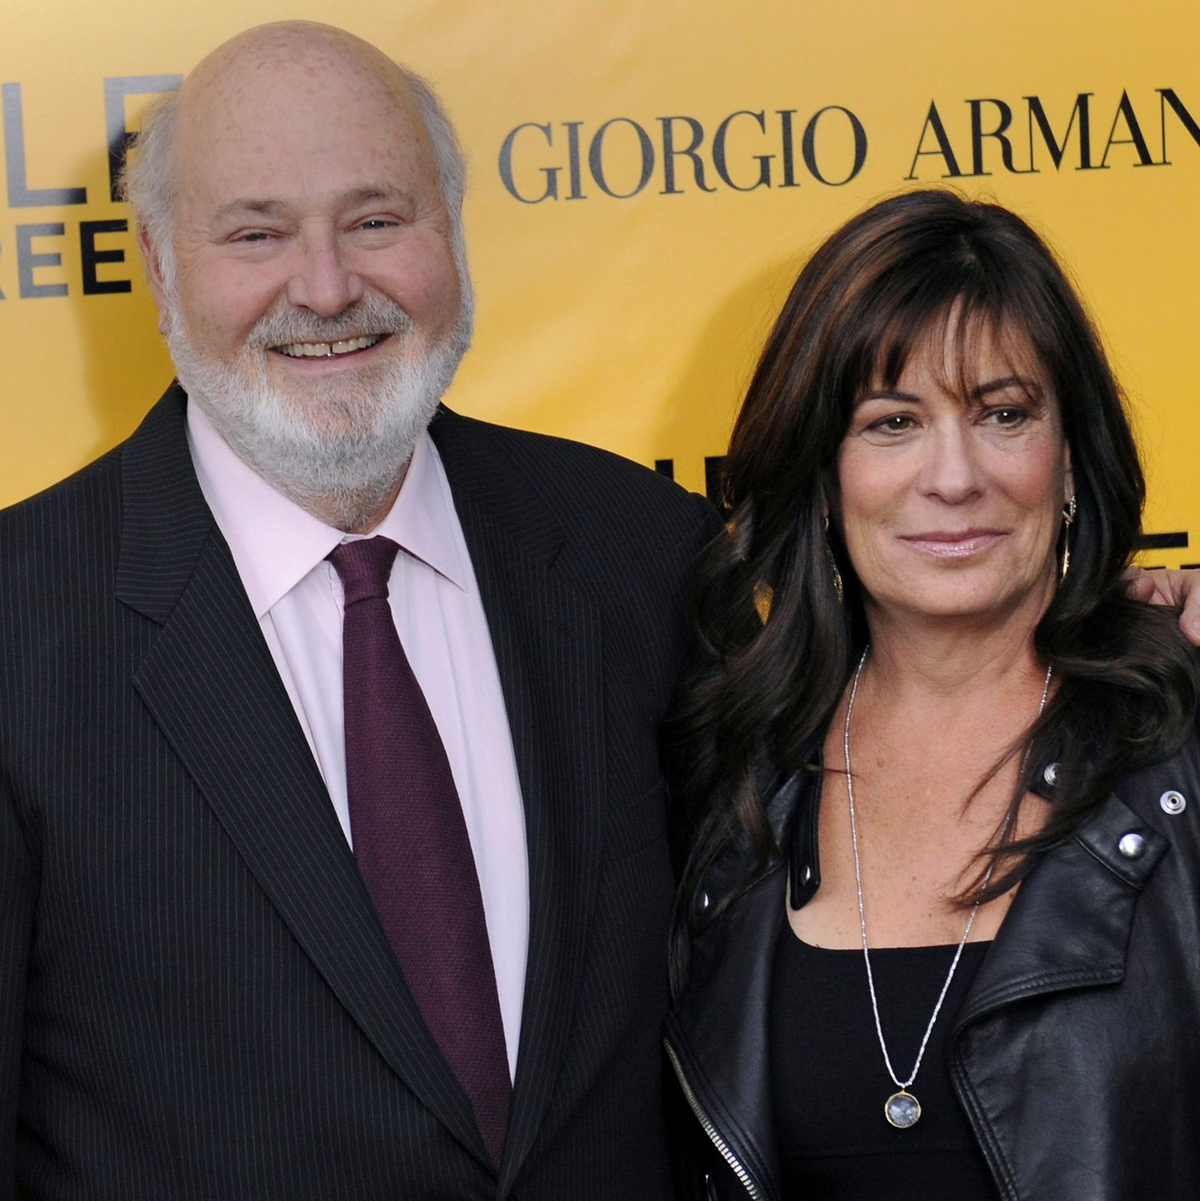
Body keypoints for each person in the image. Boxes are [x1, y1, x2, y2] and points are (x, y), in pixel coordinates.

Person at [0, 22, 717, 1200]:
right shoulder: (23, 630)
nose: (327, 288)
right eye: (256, 233)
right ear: (156, 264)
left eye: (377, 220)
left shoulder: (639, 553)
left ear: (452, 231)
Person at [665, 190, 1200, 1200]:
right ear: (823, 478)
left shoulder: (1181, 744)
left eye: (1004, 414)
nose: (953, 477)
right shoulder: (727, 776)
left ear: (1070, 456)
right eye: (892, 422)